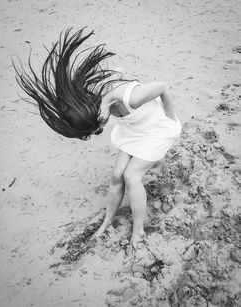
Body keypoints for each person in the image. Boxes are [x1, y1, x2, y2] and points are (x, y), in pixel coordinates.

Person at [14, 28, 182, 248]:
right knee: (116, 175)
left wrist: (171, 120)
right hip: (134, 130)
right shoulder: (95, 97)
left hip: (157, 130)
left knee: (131, 176)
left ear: (96, 111)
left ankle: (139, 230)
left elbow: (163, 87)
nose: (100, 130)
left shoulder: (132, 97)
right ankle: (107, 221)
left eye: (97, 125)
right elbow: (117, 71)